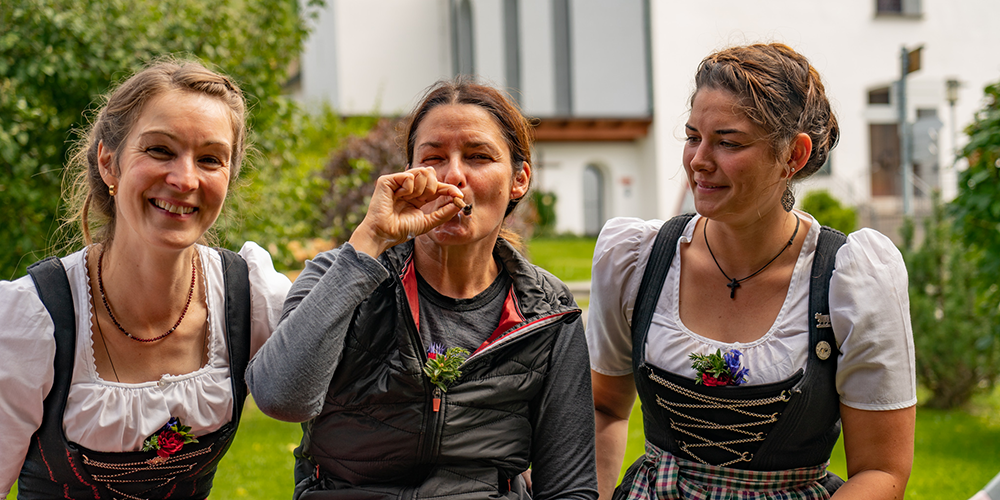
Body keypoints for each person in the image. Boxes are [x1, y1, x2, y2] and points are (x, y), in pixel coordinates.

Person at [588, 43, 915, 499]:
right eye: (692, 136)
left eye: (728, 142)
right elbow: (604, 407)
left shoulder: (848, 279)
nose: (699, 160)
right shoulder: (638, 260)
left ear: (793, 156)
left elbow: (882, 470)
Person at [246, 78, 598, 500]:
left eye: (478, 156)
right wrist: (368, 243)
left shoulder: (549, 313)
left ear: (519, 179)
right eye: (433, 158)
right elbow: (280, 398)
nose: (452, 175)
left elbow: (569, 487)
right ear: (408, 175)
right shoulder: (339, 274)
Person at [0, 59, 291, 499]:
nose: (185, 178)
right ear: (109, 163)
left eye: (210, 159)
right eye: (159, 150)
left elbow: (356, 397)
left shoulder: (249, 298)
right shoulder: (32, 320)